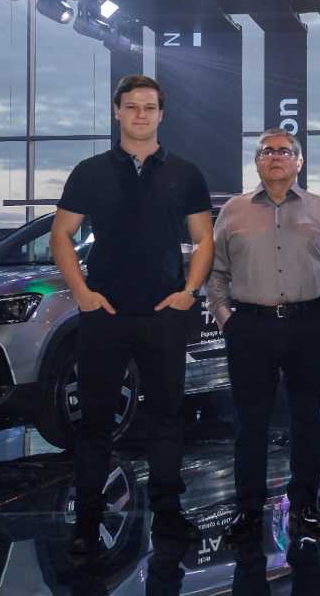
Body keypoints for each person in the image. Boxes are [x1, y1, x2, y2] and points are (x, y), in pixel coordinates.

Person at [51, 74, 214, 553]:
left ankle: (168, 513)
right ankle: (86, 522)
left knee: (167, 418)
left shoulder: (186, 172)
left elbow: (204, 239)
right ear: (117, 111)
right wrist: (81, 292)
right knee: (94, 422)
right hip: (104, 314)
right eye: (132, 106)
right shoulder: (89, 171)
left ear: (161, 114)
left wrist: (189, 292)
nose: (141, 114)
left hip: (165, 314)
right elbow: (61, 235)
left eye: (149, 107)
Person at [207, 128, 320, 543]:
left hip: (309, 324)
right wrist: (227, 320)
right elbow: (216, 274)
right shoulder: (233, 211)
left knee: (307, 418)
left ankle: (305, 505)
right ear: (256, 162)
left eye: (284, 151)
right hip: (249, 327)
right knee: (249, 421)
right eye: (266, 151)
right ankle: (248, 509)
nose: (275, 156)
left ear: (299, 162)